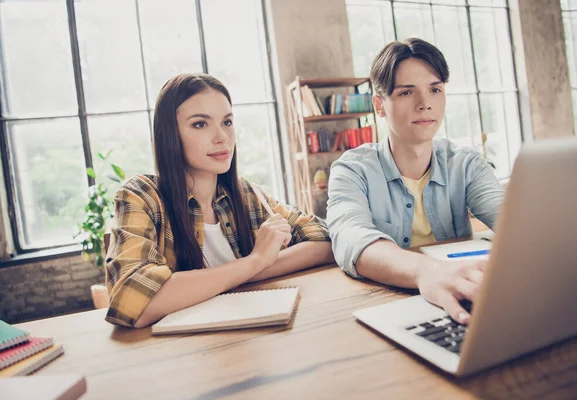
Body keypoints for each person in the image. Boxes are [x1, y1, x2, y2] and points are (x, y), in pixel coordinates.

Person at [105, 73, 334, 328]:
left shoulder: (245, 194)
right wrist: (254, 262)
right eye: (200, 124)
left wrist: (244, 272)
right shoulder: (141, 196)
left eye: (227, 122)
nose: (222, 136)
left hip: (252, 341)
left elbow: (324, 240)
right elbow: (132, 300)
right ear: (170, 134)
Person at [327, 38, 504, 325]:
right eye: (407, 92)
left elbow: (514, 222)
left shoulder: (466, 163)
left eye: (435, 90)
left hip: (465, 298)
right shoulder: (352, 170)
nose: (425, 104)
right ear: (379, 106)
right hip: (388, 309)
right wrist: (428, 272)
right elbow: (351, 238)